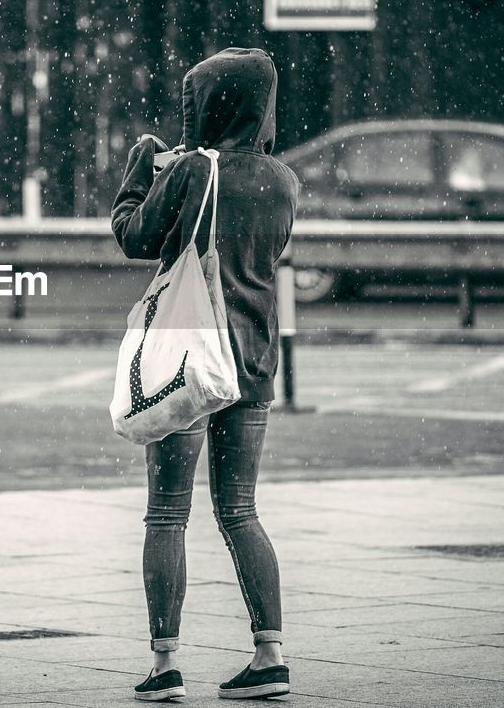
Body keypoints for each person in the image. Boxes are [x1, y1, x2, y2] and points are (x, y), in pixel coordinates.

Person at [111, 48, 301, 701]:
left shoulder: (193, 170)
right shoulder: (283, 180)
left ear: (209, 103)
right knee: (240, 509)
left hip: (188, 360)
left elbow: (134, 236)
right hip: (251, 361)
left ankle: (165, 666)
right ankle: (269, 655)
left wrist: (142, 169)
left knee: (167, 515)